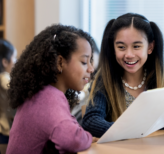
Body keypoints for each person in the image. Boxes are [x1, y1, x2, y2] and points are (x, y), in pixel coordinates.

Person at [82, 13, 164, 137]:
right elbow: (90, 122)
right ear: (113, 49)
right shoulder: (104, 80)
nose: (129, 54)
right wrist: (133, 131)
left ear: (150, 47)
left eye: (136, 46)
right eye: (121, 47)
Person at [6, 25, 97, 154]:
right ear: (60, 62)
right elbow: (72, 140)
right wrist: (87, 138)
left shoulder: (41, 94)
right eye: (84, 62)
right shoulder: (48, 98)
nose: (91, 69)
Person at [0, 39, 16, 145]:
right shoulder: (3, 78)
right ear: (5, 62)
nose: (16, 61)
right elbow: (15, 89)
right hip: (4, 132)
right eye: (14, 58)